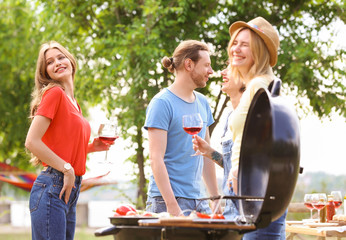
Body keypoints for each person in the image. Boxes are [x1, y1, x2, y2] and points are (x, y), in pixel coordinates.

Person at [193, 17, 287, 239]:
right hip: (253, 191)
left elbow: (261, 140)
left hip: (255, 192)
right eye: (235, 42)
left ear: (259, 51)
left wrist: (237, 169)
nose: (236, 48)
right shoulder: (263, 84)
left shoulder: (258, 86)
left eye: (245, 44)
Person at [25, 41, 110, 240]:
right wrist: (67, 168)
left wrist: (89, 148)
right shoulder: (54, 94)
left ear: (70, 60)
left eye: (61, 57)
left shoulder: (74, 103)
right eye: (50, 62)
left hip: (69, 188)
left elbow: (62, 146)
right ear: (45, 72)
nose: (57, 63)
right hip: (53, 186)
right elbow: (32, 141)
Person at [144, 40, 220, 217]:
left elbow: (207, 156)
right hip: (167, 201)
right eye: (206, 65)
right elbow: (156, 159)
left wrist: (215, 198)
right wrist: (172, 206)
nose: (211, 71)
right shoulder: (162, 103)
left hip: (199, 200)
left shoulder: (203, 102)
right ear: (189, 64)